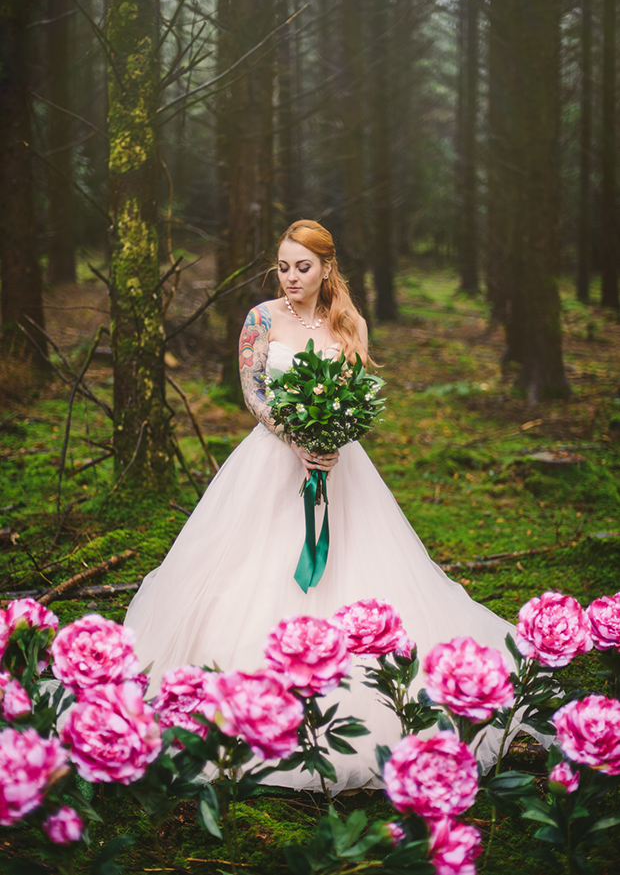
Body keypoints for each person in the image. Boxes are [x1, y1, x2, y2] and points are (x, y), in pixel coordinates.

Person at [125, 219, 534, 791]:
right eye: (283, 266)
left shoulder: (350, 324)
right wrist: (295, 438)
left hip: (338, 469)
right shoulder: (260, 319)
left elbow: (355, 398)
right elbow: (253, 392)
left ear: (325, 269)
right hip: (271, 459)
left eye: (303, 267)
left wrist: (333, 439)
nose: (291, 278)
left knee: (362, 572)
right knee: (243, 569)